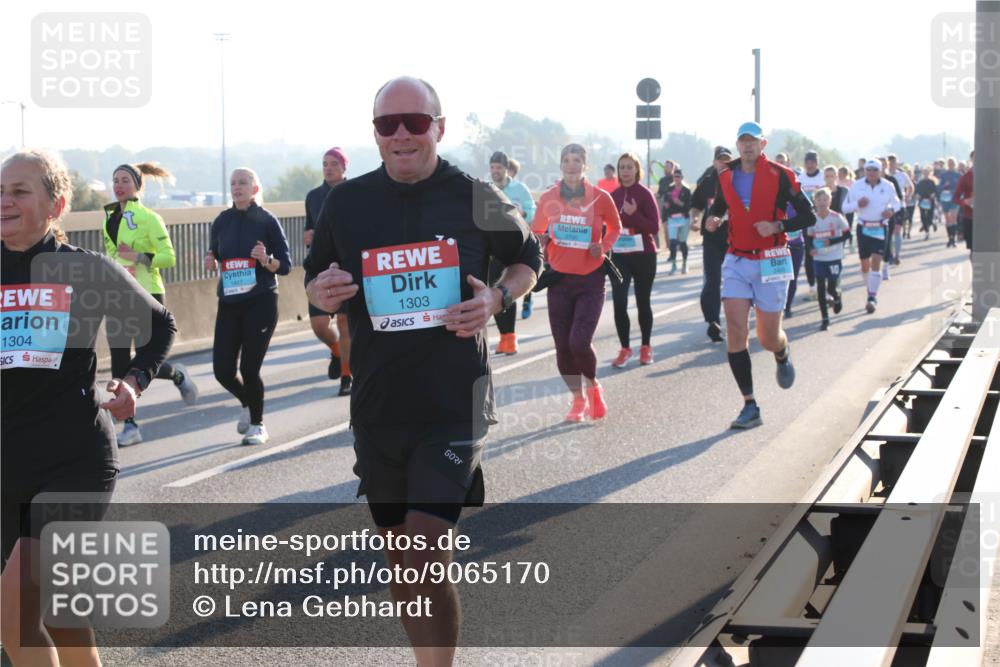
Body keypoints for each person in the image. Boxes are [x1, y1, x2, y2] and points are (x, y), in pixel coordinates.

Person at [304, 77, 541, 667]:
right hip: (380, 405)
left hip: (453, 402)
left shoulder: (475, 194)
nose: (403, 133)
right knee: (403, 569)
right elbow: (316, 282)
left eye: (415, 120)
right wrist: (323, 292)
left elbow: (528, 258)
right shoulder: (347, 202)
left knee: (422, 554)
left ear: (440, 125)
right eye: (389, 124)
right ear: (376, 134)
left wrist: (495, 300)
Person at [2, 149, 176, 666]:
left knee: (20, 610)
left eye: (19, 191)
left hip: (73, 457)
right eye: (0, 190)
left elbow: (160, 327)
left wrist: (134, 381)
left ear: (55, 204)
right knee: (51, 618)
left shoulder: (84, 269)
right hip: (6, 459)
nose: (4, 201)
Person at [706, 122, 815, 430]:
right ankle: (749, 405)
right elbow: (721, 206)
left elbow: (807, 215)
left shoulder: (782, 175)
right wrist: (714, 220)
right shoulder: (725, 174)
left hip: (772, 259)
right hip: (737, 259)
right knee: (736, 331)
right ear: (737, 144)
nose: (748, 146)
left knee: (767, 337)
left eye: (753, 141)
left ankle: (781, 351)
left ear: (763, 144)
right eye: (743, 141)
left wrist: (777, 226)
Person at [103, 162, 197, 446]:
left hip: (147, 294)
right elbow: (111, 257)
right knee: (119, 358)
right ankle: (129, 426)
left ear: (137, 186)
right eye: (115, 180)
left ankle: (177, 373)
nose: (119, 185)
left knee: (143, 359)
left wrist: (139, 256)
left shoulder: (149, 218)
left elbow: (169, 257)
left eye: (124, 180)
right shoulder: (108, 218)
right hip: (118, 296)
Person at [531, 143, 621, 421]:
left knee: (579, 342)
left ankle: (594, 388)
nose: (572, 165)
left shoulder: (600, 197)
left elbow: (615, 227)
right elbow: (536, 230)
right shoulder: (549, 197)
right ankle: (577, 399)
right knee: (562, 348)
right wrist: (542, 239)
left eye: (577, 160)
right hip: (559, 280)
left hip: (591, 280)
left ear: (585, 165)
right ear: (561, 165)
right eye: (567, 160)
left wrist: (603, 246)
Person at [205, 168, 291, 446]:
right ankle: (247, 401)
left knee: (249, 369)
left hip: (261, 301)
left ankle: (258, 424)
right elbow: (216, 253)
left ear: (254, 189)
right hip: (229, 302)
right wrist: (211, 261)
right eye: (233, 183)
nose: (237, 187)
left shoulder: (266, 221)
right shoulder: (221, 221)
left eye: (243, 183)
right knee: (222, 371)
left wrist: (266, 259)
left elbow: (286, 266)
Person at [304, 147, 353, 395]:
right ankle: (336, 352)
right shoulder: (313, 196)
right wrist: (309, 236)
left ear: (344, 167)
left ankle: (346, 376)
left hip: (346, 266)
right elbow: (308, 230)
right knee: (320, 325)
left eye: (333, 163)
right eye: (324, 163)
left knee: (344, 322)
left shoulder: (355, 192)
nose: (328, 168)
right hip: (320, 267)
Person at [609, 152, 660, 367]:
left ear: (637, 170)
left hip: (644, 255)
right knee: (619, 303)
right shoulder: (613, 195)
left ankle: (646, 347)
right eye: (622, 167)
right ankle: (625, 348)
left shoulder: (645, 194)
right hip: (620, 256)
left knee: (642, 301)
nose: (626, 171)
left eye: (630, 167)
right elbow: (606, 226)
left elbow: (654, 228)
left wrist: (635, 214)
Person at [487, 151, 537, 354]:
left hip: (516, 246)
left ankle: (510, 338)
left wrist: (525, 212)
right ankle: (503, 337)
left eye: (498, 167)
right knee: (494, 289)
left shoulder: (519, 189)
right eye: (492, 168)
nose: (495, 171)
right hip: (493, 248)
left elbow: (532, 209)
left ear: (507, 169)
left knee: (508, 289)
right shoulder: (487, 189)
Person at [841, 159, 901, 314]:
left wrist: (891, 212)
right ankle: (871, 289)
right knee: (864, 265)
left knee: (876, 260)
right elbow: (845, 208)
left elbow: (897, 203)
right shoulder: (857, 185)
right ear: (865, 171)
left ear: (880, 171)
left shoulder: (888, 186)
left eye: (875, 170)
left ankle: (872, 297)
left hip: (881, 226)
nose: (872, 173)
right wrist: (857, 205)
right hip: (864, 227)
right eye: (869, 170)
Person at [690, 146, 732, 343]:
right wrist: (695, 220)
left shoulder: (739, 179)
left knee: (735, 279)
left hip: (735, 238)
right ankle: (712, 321)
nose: (723, 162)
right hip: (712, 239)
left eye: (727, 159)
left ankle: (737, 318)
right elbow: (696, 204)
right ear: (714, 162)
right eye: (720, 160)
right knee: (712, 279)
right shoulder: (707, 182)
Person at [806, 188, 851, 330]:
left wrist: (831, 241)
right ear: (814, 202)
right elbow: (808, 237)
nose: (822, 203)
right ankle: (825, 318)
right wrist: (810, 249)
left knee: (831, 287)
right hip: (819, 258)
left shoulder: (836, 217)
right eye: (819, 200)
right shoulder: (812, 218)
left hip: (834, 257)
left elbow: (847, 234)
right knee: (820, 287)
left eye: (825, 199)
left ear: (830, 201)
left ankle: (837, 296)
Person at [795, 151, 826, 304]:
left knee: (823, 252)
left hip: (823, 221)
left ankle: (826, 285)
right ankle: (812, 287)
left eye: (813, 161)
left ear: (816, 163)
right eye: (808, 162)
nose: (810, 164)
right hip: (807, 221)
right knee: (809, 254)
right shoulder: (800, 178)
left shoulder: (823, 178)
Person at [662, 169, 693, 274]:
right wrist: (666, 209)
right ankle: (674, 265)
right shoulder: (669, 189)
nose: (676, 178)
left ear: (682, 178)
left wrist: (679, 202)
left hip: (684, 218)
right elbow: (665, 204)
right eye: (675, 176)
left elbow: (689, 206)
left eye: (678, 176)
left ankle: (684, 263)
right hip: (672, 219)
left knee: (683, 242)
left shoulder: (686, 190)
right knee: (673, 242)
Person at [885, 154, 913, 266]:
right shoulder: (884, 176)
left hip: (900, 205)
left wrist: (908, 196)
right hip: (888, 206)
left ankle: (897, 254)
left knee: (897, 230)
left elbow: (911, 186)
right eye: (890, 162)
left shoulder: (902, 175)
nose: (892, 164)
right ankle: (890, 254)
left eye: (894, 162)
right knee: (890, 231)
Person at [938, 157, 962, 247]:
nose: (951, 165)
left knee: (953, 218)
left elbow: (962, 187)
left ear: (955, 164)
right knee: (947, 219)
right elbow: (939, 187)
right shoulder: (944, 175)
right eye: (949, 163)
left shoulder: (958, 175)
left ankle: (953, 239)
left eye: (952, 163)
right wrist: (945, 185)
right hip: (945, 198)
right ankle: (949, 238)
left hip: (955, 198)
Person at [954, 150, 975, 254]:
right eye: (975, 158)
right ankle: (976, 269)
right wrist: (965, 202)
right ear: (971, 160)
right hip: (970, 217)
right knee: (974, 250)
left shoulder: (992, 174)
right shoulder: (966, 177)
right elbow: (956, 197)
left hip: (988, 218)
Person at [914, 167, 939, 239]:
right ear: (922, 174)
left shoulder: (932, 182)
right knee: (923, 216)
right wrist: (918, 195)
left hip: (930, 201)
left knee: (929, 216)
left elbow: (936, 191)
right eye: (924, 173)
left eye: (927, 173)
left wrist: (933, 194)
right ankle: (926, 231)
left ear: (929, 173)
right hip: (922, 201)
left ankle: (931, 223)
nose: (925, 174)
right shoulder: (920, 182)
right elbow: (917, 191)